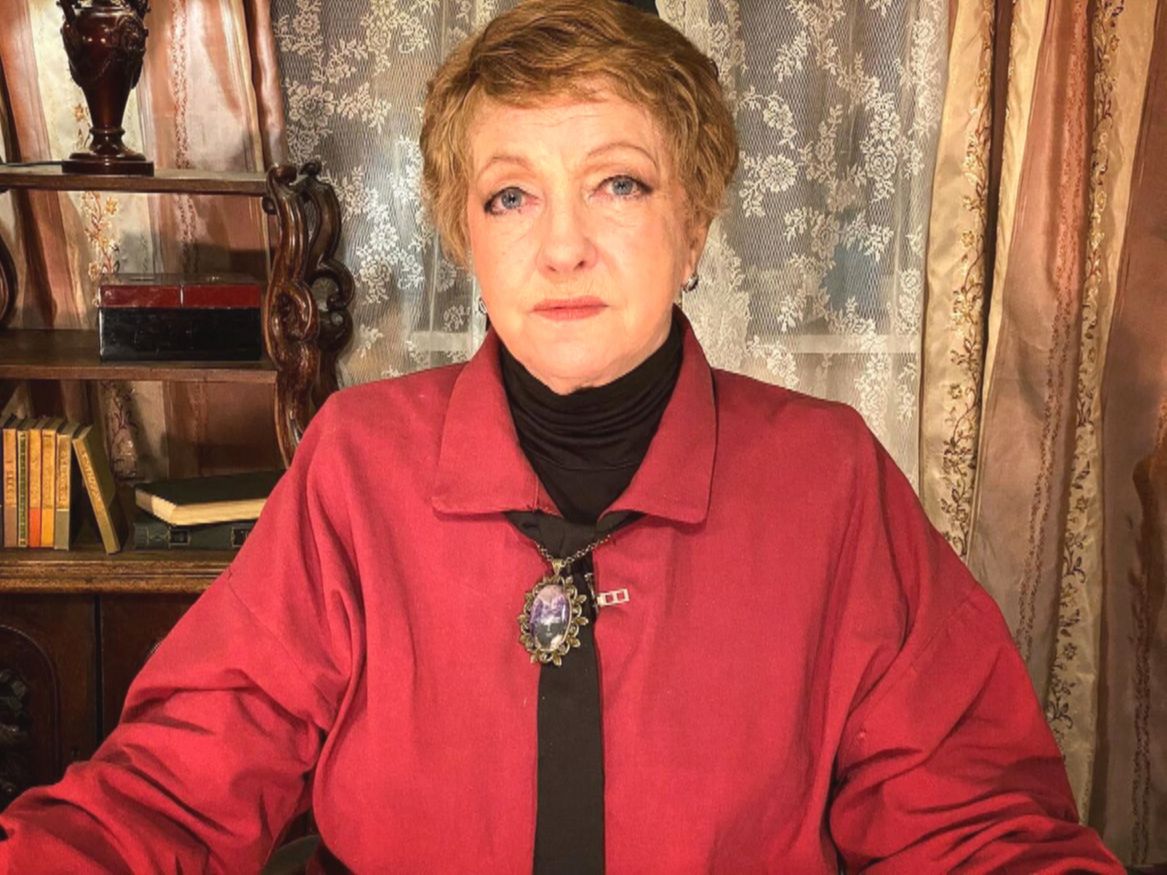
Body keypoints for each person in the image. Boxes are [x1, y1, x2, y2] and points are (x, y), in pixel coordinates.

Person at [0, 1, 1124, 872]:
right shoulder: (357, 462)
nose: (563, 246)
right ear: (466, 236)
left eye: (618, 184)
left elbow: (974, 826)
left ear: (695, 223)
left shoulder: (827, 479)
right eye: (511, 196)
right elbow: (169, 792)